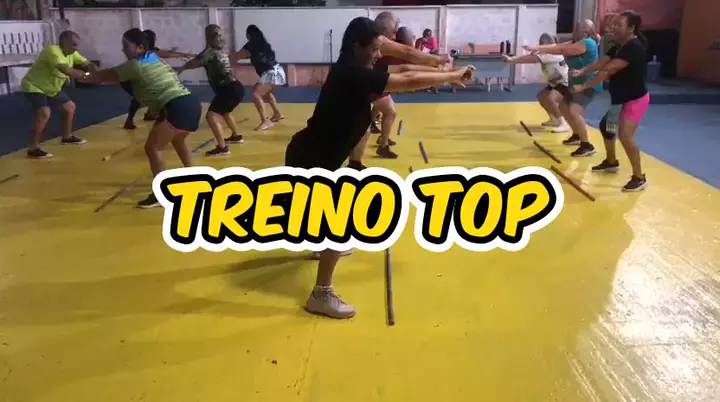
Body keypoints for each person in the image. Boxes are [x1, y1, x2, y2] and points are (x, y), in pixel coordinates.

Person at [285, 16, 474, 319]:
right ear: (356, 46)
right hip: (310, 159)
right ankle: (321, 294)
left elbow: (404, 70)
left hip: (314, 155)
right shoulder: (352, 74)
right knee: (340, 219)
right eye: (373, 49)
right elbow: (407, 82)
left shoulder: (355, 68)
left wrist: (444, 72)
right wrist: (450, 75)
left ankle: (321, 247)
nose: (378, 54)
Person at [79, 28, 202, 208]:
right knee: (178, 141)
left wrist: (80, 75)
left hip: (176, 106)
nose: (123, 50)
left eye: (126, 46)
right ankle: (195, 177)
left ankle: (162, 195)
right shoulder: (153, 57)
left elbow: (100, 77)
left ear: (140, 48)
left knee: (153, 148)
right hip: (190, 103)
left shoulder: (134, 66)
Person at [347, 11, 450, 170]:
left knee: (367, 123)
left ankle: (366, 148)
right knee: (388, 113)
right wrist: (440, 63)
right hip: (367, 83)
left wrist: (440, 71)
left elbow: (406, 66)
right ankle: (381, 145)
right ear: (385, 29)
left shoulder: (379, 44)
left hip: (372, 81)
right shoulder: (382, 42)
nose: (394, 37)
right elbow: (408, 60)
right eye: (393, 32)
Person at [571, 11, 650, 192]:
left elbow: (607, 70)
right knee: (607, 127)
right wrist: (582, 71)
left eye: (619, 25)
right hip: (619, 99)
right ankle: (611, 162)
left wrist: (583, 87)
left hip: (634, 100)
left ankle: (639, 177)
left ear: (631, 28)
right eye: (614, 24)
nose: (614, 27)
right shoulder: (619, 46)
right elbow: (602, 62)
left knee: (625, 136)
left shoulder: (633, 49)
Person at [524, 19, 602, 158]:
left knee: (574, 110)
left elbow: (561, 50)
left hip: (588, 84)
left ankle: (587, 145)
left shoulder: (587, 43)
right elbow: (558, 46)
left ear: (585, 31)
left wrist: (537, 47)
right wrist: (539, 48)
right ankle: (577, 135)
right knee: (564, 107)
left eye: (578, 28)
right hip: (576, 83)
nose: (575, 30)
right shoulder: (577, 42)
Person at [21, 30, 96, 159]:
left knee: (69, 107)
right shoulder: (52, 51)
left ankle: (67, 137)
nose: (76, 48)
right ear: (64, 42)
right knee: (44, 112)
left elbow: (88, 64)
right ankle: (33, 148)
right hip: (34, 86)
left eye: (77, 45)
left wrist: (94, 72)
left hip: (52, 89)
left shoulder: (72, 54)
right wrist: (82, 75)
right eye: (73, 45)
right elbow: (65, 70)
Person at [175, 25, 245, 156]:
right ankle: (236, 136)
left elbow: (194, 63)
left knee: (211, 116)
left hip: (228, 90)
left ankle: (222, 147)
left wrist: (181, 68)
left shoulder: (209, 53)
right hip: (236, 87)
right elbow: (202, 58)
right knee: (225, 112)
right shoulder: (220, 51)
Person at [122, 29, 194, 129]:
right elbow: (167, 54)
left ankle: (148, 114)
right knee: (144, 96)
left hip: (134, 79)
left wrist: (183, 55)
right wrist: (184, 55)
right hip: (131, 79)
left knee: (146, 96)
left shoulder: (149, 51)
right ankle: (148, 116)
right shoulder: (147, 53)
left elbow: (167, 53)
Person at [504, 33, 569, 130]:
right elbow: (528, 56)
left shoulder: (552, 54)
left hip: (564, 82)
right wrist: (512, 58)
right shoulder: (544, 53)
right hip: (555, 82)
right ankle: (554, 119)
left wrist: (511, 60)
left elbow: (530, 59)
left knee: (550, 99)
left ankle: (563, 123)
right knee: (541, 96)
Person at [372, 26, 416, 159]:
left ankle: (377, 130)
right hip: (374, 83)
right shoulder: (399, 50)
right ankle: (383, 146)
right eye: (412, 38)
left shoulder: (396, 48)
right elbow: (406, 69)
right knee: (390, 112)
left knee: (383, 106)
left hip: (379, 82)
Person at [230, 25, 285, 131]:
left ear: (249, 35)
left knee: (256, 94)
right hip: (278, 71)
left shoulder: (251, 45)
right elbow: (242, 55)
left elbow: (239, 55)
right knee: (265, 92)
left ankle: (265, 121)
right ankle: (277, 114)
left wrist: (225, 56)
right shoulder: (263, 44)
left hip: (271, 73)